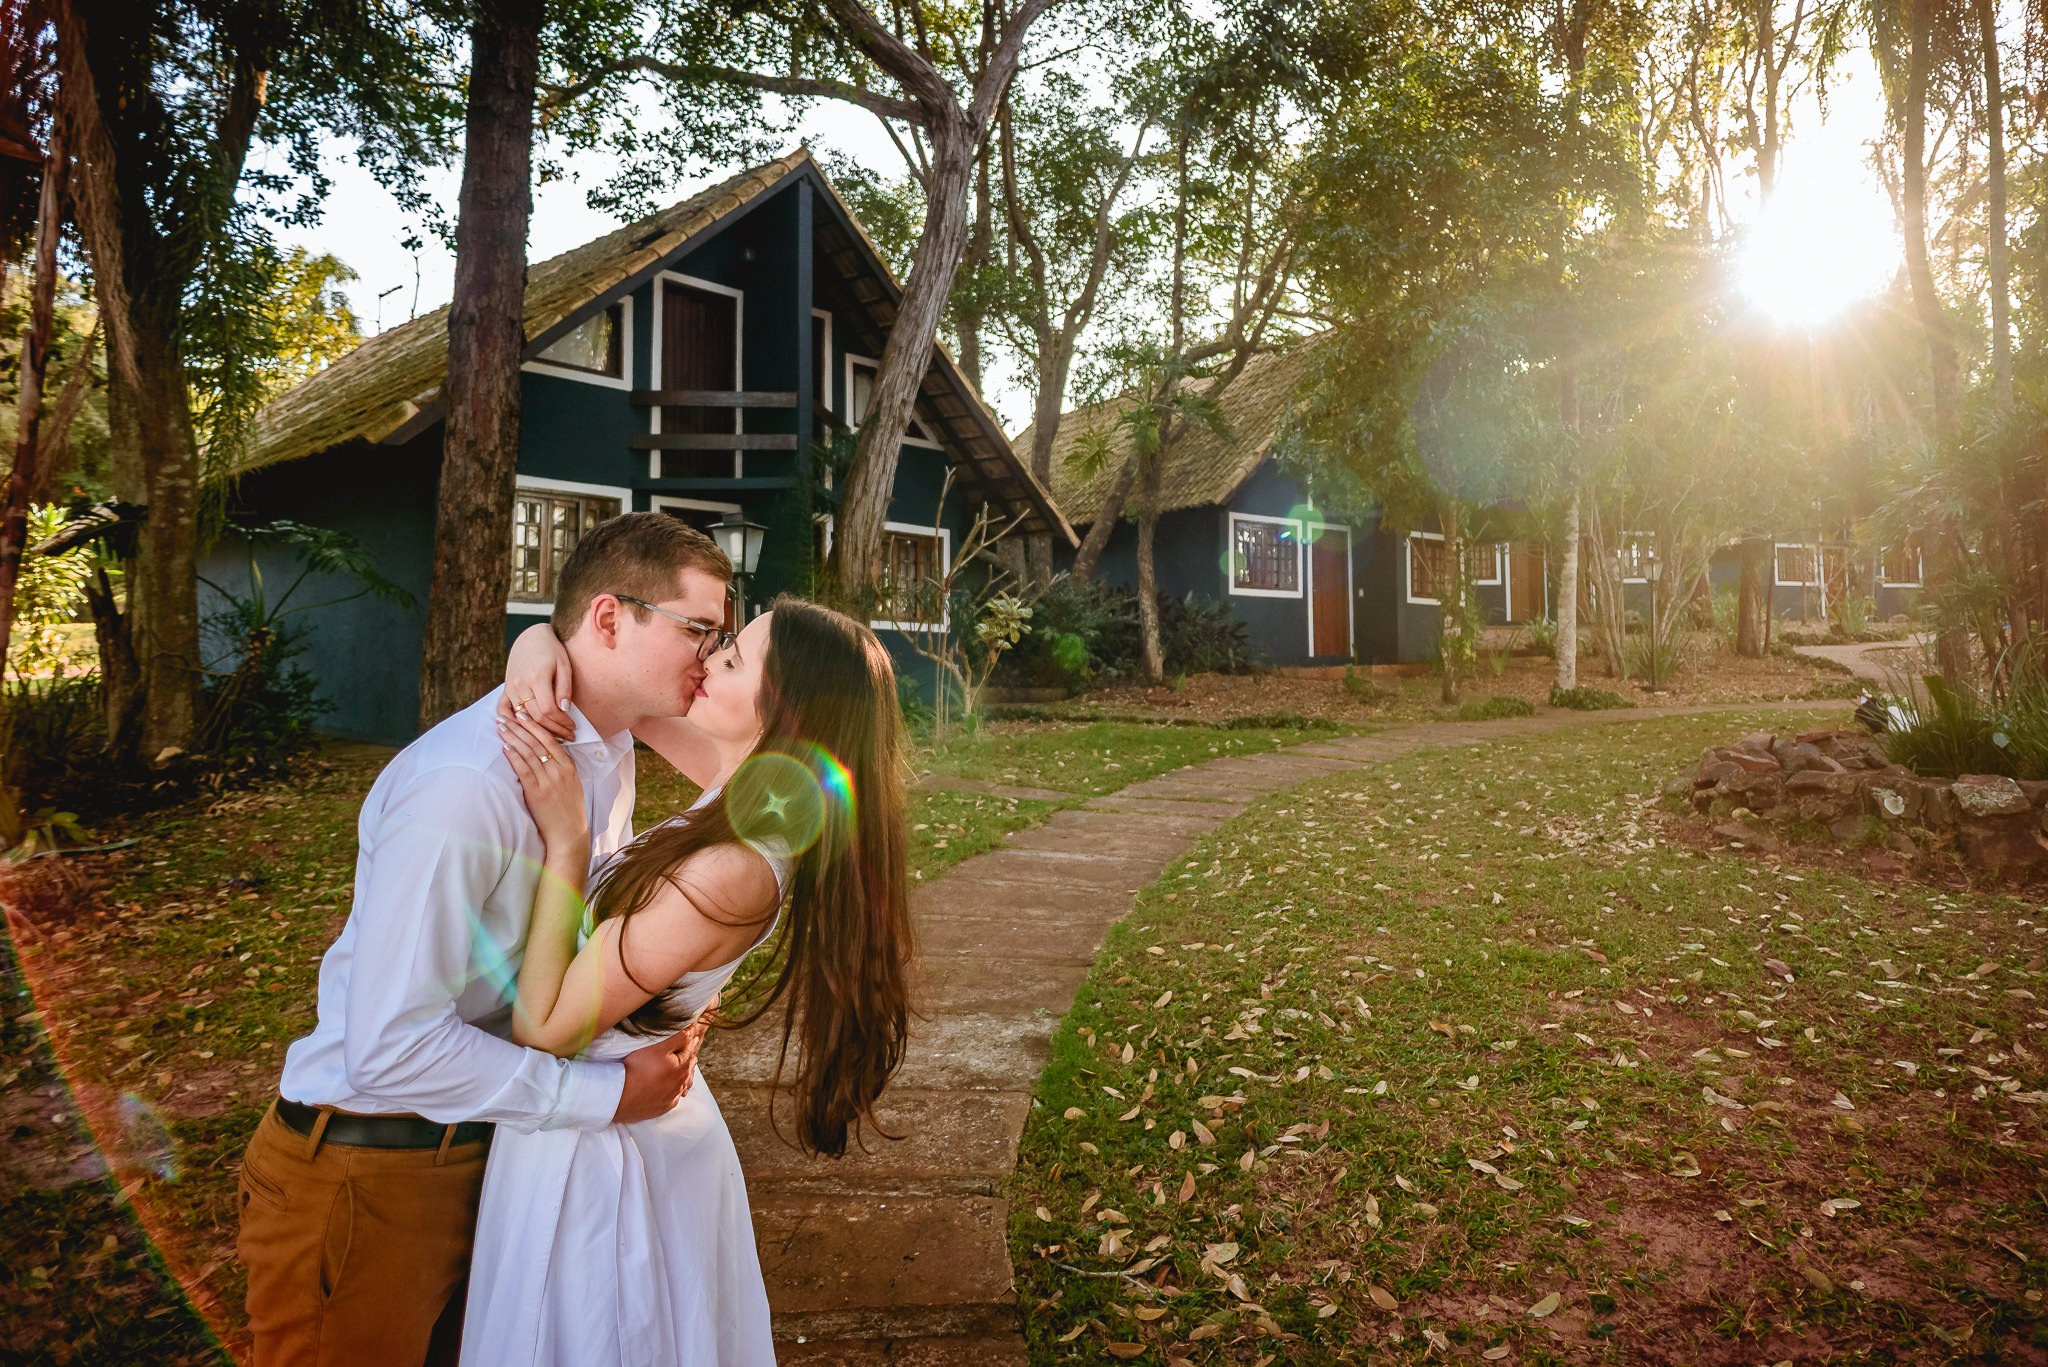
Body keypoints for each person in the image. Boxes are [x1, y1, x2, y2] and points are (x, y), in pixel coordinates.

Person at [237, 513, 735, 1366]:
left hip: (498, 1148)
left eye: (724, 639)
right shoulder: (469, 784)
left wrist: (541, 635)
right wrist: (607, 1098)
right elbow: (387, 1049)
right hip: (373, 1171)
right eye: (701, 630)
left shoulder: (609, 748)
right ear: (612, 619)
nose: (711, 655)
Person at [460, 597, 913, 1367]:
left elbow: (545, 1023)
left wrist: (568, 842)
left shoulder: (735, 865)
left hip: (607, 1165)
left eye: (733, 659)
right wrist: (536, 639)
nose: (709, 660)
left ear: (784, 716)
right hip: (607, 1122)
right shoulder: (749, 791)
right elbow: (629, 700)